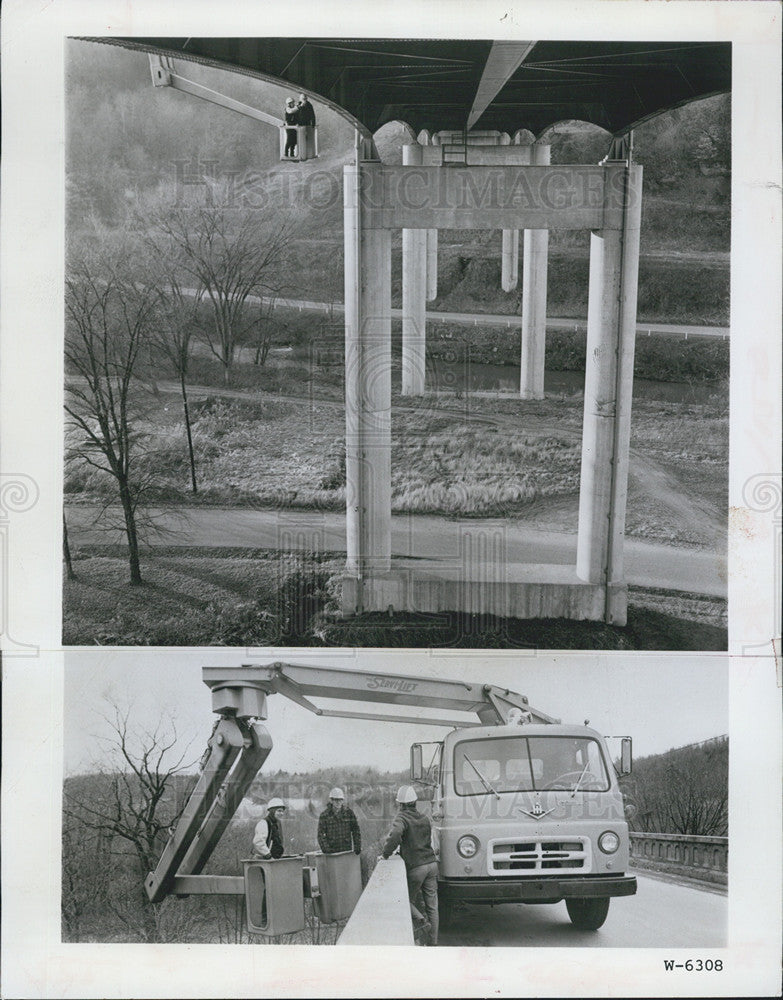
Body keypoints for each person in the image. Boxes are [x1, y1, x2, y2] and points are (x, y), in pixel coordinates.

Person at [381, 785, 438, 946]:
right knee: (432, 907)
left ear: (401, 804)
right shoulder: (424, 818)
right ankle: (433, 943)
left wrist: (385, 854)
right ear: (415, 802)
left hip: (417, 867)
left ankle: (420, 921)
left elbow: (396, 834)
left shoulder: (402, 817)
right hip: (432, 864)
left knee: (405, 901)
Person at [317, 787, 362, 855]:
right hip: (332, 853)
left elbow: (356, 830)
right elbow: (320, 835)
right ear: (331, 800)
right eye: (336, 800)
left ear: (343, 800)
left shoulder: (349, 813)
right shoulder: (324, 816)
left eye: (340, 800)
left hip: (346, 851)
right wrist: (326, 850)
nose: (338, 802)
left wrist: (357, 845)